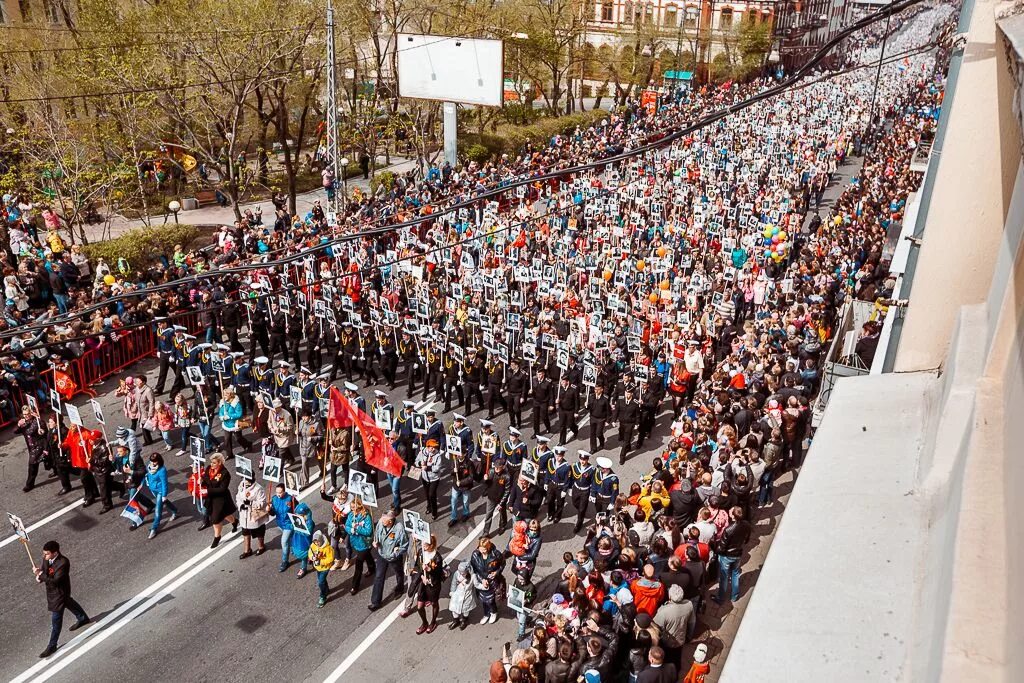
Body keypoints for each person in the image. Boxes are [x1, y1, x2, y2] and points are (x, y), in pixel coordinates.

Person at [35, 540, 90, 658]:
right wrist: (39, 576)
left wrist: (41, 576)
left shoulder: (63, 562)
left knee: (56, 620)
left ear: (55, 553)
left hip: (59, 593)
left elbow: (55, 581)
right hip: (52, 592)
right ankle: (83, 618)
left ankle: (52, 645)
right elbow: (45, 571)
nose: (44, 556)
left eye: (47, 554)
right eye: (44, 554)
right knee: (68, 602)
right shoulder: (46, 558)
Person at [368, 506, 409, 611]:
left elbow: (404, 545)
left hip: (393, 557)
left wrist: (396, 553)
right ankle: (375, 602)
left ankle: (399, 589)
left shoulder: (399, 529)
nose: (381, 522)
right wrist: (375, 542)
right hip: (382, 554)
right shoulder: (381, 524)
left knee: (398, 573)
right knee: (378, 576)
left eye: (384, 520)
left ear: (390, 521)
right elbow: (376, 533)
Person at [711, 506, 750, 604]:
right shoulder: (746, 524)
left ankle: (720, 598)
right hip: (738, 553)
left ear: (733, 516)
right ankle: (734, 596)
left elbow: (722, 547)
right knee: (735, 574)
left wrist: (716, 550)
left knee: (724, 577)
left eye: (731, 510)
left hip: (727, 556)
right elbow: (746, 539)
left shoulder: (728, 530)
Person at [200, 453, 238, 547]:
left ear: (220, 463)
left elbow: (222, 489)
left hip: (220, 499)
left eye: (214, 463)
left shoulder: (225, 474)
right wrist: (201, 481)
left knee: (215, 519)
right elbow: (206, 478)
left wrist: (207, 490)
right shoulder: (209, 468)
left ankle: (217, 537)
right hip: (211, 498)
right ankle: (234, 521)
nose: (211, 465)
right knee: (225, 514)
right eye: (211, 462)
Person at [412, 535, 445, 634]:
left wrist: (430, 570)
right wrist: (422, 576)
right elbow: (417, 567)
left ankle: (433, 622)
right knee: (419, 606)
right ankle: (424, 623)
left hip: (433, 585)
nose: (423, 546)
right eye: (423, 544)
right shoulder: (421, 552)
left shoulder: (437, 557)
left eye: (425, 545)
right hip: (423, 583)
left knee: (434, 603)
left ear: (431, 545)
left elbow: (439, 574)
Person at [471, 535, 505, 625]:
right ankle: (486, 614)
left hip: (493, 580)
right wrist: (481, 579)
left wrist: (496, 572)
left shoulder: (495, 554)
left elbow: (502, 564)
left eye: (484, 549)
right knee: (483, 598)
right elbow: (474, 569)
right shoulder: (475, 555)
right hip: (482, 579)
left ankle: (493, 612)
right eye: (480, 548)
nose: (482, 551)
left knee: (490, 599)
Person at [345, 496, 375, 595]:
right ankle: (372, 567)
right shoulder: (350, 515)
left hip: (364, 543)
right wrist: (351, 530)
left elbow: (368, 531)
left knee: (359, 564)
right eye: (351, 507)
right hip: (355, 541)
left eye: (354, 508)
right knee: (367, 556)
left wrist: (357, 528)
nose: (352, 510)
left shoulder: (366, 516)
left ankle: (355, 586)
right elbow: (347, 526)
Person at [144, 453, 178, 539]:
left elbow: (164, 483)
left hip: (159, 491)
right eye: (151, 462)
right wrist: (142, 484)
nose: (152, 463)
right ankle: (175, 510)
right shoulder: (150, 466)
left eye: (154, 462)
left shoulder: (162, 470)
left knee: (158, 511)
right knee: (165, 502)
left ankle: (154, 528)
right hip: (153, 489)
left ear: (159, 461)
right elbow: (147, 475)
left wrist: (164, 495)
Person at [235, 475, 269, 558]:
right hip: (244, 514)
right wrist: (241, 505)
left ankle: (261, 546)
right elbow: (238, 497)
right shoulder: (241, 485)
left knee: (259, 531)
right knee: (245, 532)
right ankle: (247, 550)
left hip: (254, 514)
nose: (244, 480)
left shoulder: (258, 488)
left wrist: (250, 503)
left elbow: (262, 502)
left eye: (245, 479)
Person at [270, 483, 297, 571]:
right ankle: (294, 548)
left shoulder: (290, 498)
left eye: (280, 492)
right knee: (291, 538)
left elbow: (297, 509)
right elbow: (273, 513)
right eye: (277, 492)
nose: (278, 494)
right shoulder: (274, 499)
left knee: (284, 542)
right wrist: (269, 510)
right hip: (280, 523)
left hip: (289, 524)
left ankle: (285, 561)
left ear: (284, 491)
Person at [308, 529, 335, 608]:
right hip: (317, 567)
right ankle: (326, 589)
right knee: (322, 580)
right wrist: (312, 557)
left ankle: (322, 596)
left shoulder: (328, 548)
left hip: (325, 568)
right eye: (315, 542)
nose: (316, 544)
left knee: (320, 582)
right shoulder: (314, 545)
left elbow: (330, 559)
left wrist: (321, 562)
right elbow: (310, 551)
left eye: (318, 542)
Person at [448, 560, 477, 630]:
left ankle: (464, 620)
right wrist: (452, 591)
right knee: (454, 609)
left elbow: (477, 585)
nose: (461, 574)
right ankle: (456, 620)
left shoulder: (472, 576)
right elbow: (453, 583)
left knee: (465, 609)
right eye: (460, 573)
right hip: (457, 595)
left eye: (463, 573)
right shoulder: (456, 573)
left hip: (467, 595)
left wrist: (484, 586)